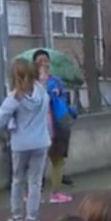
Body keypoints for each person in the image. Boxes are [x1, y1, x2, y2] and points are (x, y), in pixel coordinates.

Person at [0, 58, 51, 221]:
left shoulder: (15, 97)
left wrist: (11, 121)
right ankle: (32, 219)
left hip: (20, 143)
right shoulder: (42, 92)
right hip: (41, 141)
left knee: (18, 180)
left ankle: (16, 217)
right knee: (35, 182)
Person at [33, 49, 75, 202]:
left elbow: (63, 98)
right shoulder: (31, 83)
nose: (44, 64)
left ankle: (56, 192)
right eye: (40, 61)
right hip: (38, 126)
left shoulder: (56, 81)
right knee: (37, 160)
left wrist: (57, 95)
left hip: (56, 123)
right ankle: (33, 192)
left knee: (57, 159)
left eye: (46, 61)